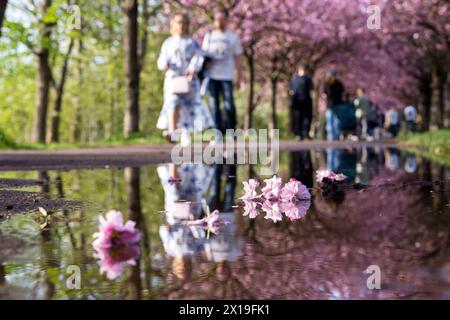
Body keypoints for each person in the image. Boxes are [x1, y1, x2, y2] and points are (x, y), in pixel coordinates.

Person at [156, 13, 214, 145]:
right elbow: (162, 59)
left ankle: (186, 133)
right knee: (172, 102)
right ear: (173, 25)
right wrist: (164, 64)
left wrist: (194, 67)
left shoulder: (192, 42)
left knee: (189, 106)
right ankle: (172, 131)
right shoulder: (168, 43)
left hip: (189, 80)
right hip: (173, 79)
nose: (181, 25)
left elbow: (199, 56)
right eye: (179, 22)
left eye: (184, 22)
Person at [202, 9, 243, 134]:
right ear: (214, 21)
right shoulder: (209, 37)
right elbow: (203, 55)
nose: (220, 22)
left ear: (226, 20)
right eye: (217, 19)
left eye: (222, 19)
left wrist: (239, 76)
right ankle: (217, 131)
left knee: (229, 104)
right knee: (214, 104)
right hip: (212, 76)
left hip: (227, 76)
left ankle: (231, 130)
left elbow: (238, 57)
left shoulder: (232, 37)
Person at [289, 64, 314, 140]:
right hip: (299, 102)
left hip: (304, 102)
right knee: (299, 118)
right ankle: (300, 134)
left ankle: (303, 133)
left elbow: (291, 91)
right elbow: (291, 91)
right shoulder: (295, 79)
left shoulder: (305, 79)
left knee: (305, 118)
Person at [323, 70, 344, 141]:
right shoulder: (326, 84)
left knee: (337, 122)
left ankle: (336, 136)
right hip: (330, 105)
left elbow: (342, 93)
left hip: (338, 104)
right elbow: (324, 94)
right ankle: (331, 137)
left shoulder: (339, 84)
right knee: (330, 122)